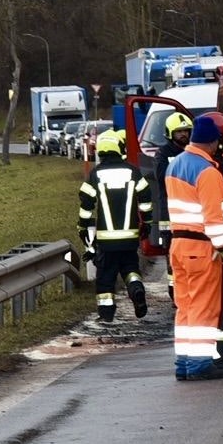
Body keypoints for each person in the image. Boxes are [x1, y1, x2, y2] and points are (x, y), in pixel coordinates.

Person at [165, 115, 223, 381]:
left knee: (186, 306)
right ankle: (200, 364)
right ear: (213, 143)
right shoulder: (208, 172)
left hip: (178, 245)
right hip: (201, 247)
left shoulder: (174, 165)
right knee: (204, 307)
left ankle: (184, 362)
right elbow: (214, 219)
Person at [77, 130, 153, 323]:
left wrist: (84, 230)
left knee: (106, 277)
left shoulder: (95, 175)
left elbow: (86, 205)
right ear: (120, 149)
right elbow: (146, 197)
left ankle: (106, 314)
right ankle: (136, 288)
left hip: (106, 240)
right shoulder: (132, 172)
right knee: (130, 268)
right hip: (130, 238)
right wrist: (147, 222)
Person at [154, 111, 194, 299]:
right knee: (172, 257)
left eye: (186, 131)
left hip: (191, 216)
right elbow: (161, 176)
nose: (183, 135)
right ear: (170, 133)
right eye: (179, 132)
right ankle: (175, 292)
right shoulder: (163, 153)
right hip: (169, 216)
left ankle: (189, 289)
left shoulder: (193, 151)